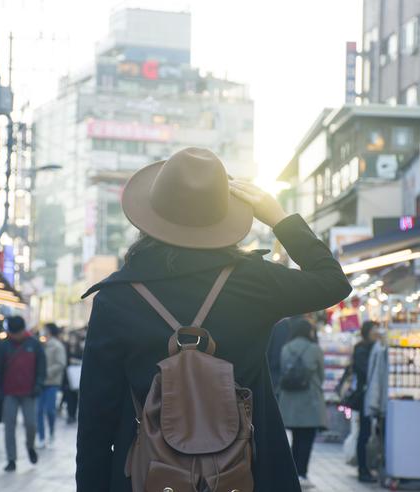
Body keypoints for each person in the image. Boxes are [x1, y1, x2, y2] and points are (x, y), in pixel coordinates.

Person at [75, 148, 352, 491]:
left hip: (145, 477)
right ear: (223, 219)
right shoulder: (255, 283)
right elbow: (333, 282)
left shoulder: (117, 298)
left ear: (151, 217)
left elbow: (94, 420)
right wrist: (279, 218)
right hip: (247, 473)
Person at [278, 317, 327, 489]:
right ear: (309, 331)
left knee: (296, 439)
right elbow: (321, 375)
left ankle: (292, 473)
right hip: (310, 399)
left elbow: (283, 370)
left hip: (290, 400)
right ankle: (302, 474)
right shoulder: (314, 349)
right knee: (307, 439)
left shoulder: (286, 348)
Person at [0, 316, 46, 472]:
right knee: (9, 426)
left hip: (29, 392)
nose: (15, 336)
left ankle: (30, 446)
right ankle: (11, 459)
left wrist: (38, 385)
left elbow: (42, 367)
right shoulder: (4, 345)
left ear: (24, 330)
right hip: (9, 392)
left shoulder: (34, 344)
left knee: (31, 424)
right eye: (12, 333)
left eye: (17, 333)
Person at [353, 320, 380, 483]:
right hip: (364, 395)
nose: (377, 333)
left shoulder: (375, 347)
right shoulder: (362, 349)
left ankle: (369, 467)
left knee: (369, 432)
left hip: (373, 395)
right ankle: (363, 469)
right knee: (364, 433)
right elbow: (366, 370)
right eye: (374, 330)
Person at [36, 323, 66, 449]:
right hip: (40, 383)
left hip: (52, 383)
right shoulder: (41, 344)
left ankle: (52, 433)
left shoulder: (57, 346)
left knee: (50, 410)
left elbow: (61, 363)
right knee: (38, 411)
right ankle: (41, 437)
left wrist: (46, 372)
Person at [267, 317, 293, 394]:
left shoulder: (274, 325)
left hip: (273, 365)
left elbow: (269, 346)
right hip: (284, 365)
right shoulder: (289, 325)